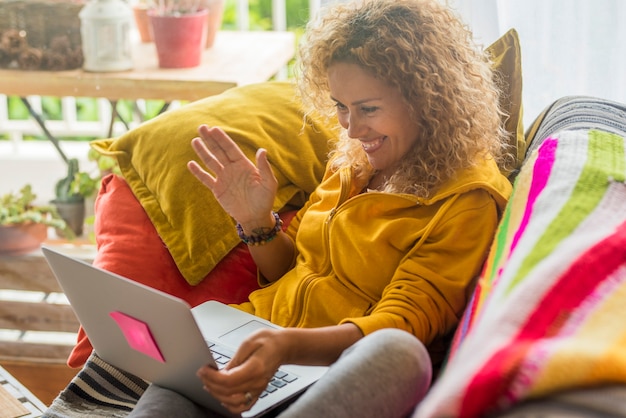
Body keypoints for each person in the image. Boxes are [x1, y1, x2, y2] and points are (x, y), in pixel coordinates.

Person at [128, 0, 512, 416]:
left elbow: (406, 324)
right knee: (174, 363)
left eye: (368, 109)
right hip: (266, 339)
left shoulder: (466, 199)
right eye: (341, 107)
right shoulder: (353, 160)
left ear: (428, 98)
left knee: (400, 354)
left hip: (336, 371)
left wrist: (289, 347)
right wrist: (256, 222)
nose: (351, 128)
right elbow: (293, 271)